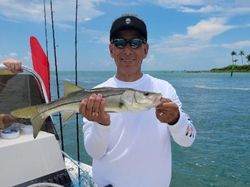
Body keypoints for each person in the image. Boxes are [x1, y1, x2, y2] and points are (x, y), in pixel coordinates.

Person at [79, 14, 196, 187]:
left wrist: (176, 120)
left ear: (145, 50)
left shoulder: (164, 89)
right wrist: (101, 125)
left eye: (135, 43)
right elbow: (95, 152)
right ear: (111, 50)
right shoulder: (96, 95)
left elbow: (189, 138)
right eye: (119, 43)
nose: (127, 50)